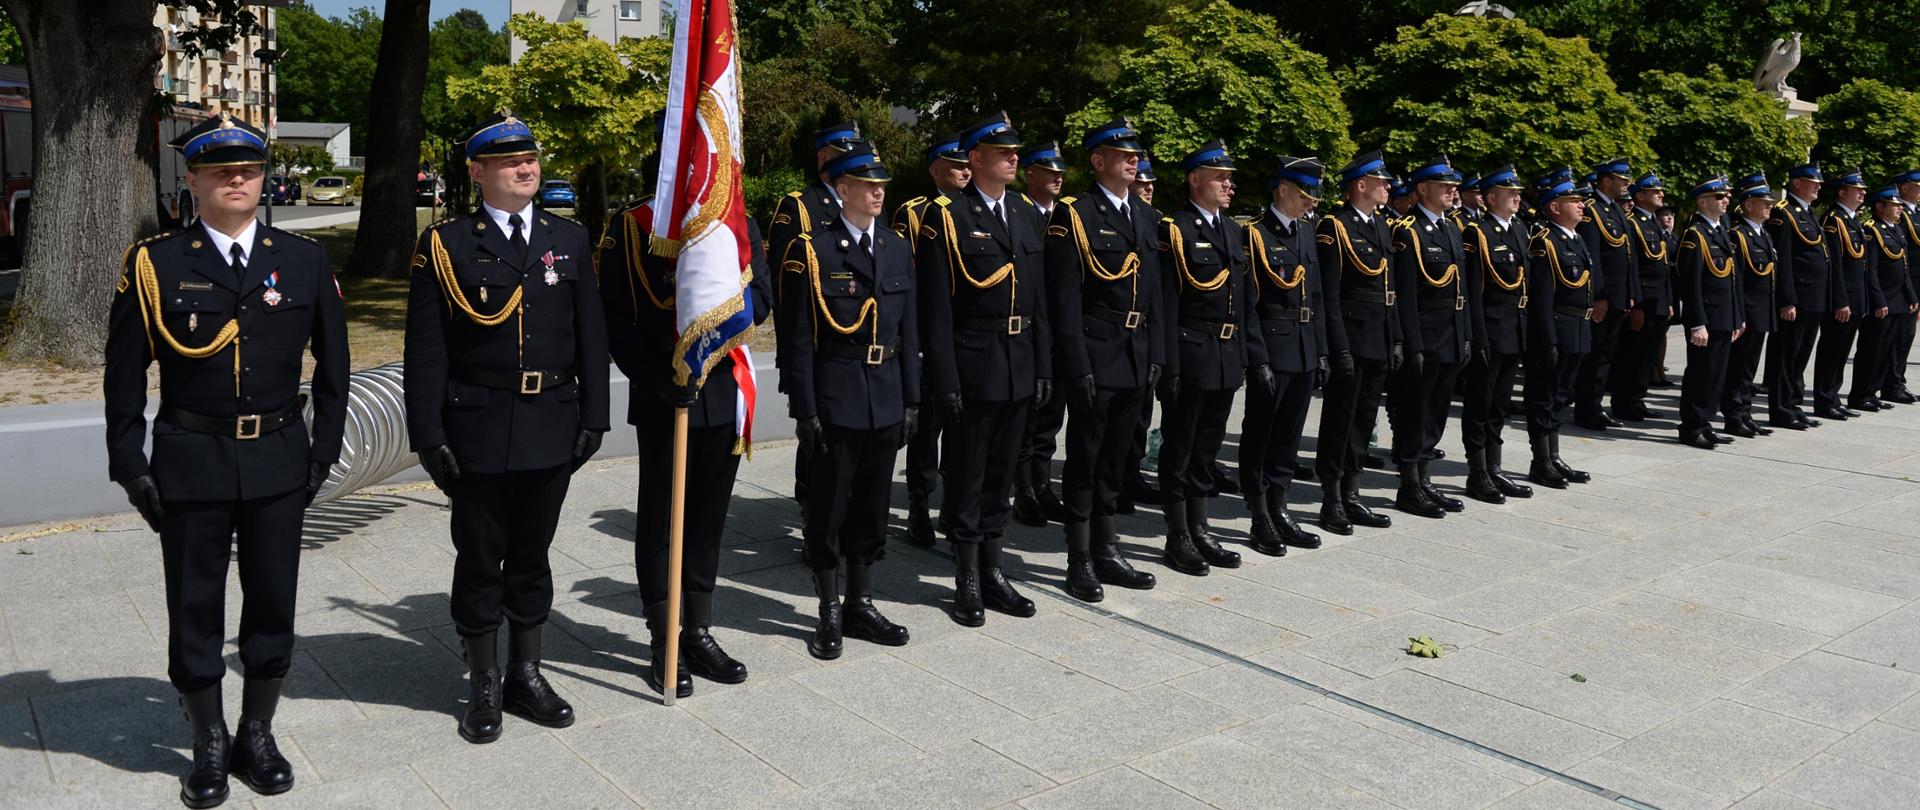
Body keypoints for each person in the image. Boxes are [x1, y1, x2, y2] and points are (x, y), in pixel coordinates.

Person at [104, 113, 349, 808]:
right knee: (194, 604)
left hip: (278, 456)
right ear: (196, 180)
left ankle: (257, 732)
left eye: (247, 170)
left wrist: (322, 451)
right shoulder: (155, 264)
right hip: (190, 458)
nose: (236, 180)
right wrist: (131, 463)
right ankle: (208, 741)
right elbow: (121, 375)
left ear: (262, 177)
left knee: (273, 599)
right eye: (220, 171)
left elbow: (335, 369)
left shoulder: (303, 260)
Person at [404, 113, 608, 743]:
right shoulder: (448, 245)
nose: (527, 168)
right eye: (510, 161)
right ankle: (484, 681)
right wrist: (428, 434)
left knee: (532, 556)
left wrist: (594, 418)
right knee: (479, 558)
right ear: (479, 172)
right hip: (478, 426)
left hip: (551, 420)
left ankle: (527, 671)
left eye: (531, 159)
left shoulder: (567, 239)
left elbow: (590, 336)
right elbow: (426, 349)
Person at [598, 184, 773, 697]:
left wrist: (721, 321)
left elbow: (762, 291)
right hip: (664, 394)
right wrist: (663, 378)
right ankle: (662, 639)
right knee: (660, 521)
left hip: (724, 386)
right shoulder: (632, 227)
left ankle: (697, 630)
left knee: (708, 519)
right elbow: (616, 318)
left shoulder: (736, 220)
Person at [779, 143, 918, 658]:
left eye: (882, 184)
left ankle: (862, 601)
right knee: (829, 506)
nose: (879, 192)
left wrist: (912, 400)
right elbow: (797, 339)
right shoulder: (812, 250)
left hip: (885, 395)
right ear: (842, 191)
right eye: (867, 185)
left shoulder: (898, 247)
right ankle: (829, 608)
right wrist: (805, 410)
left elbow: (910, 328)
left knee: (874, 505)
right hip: (837, 394)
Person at [916, 112, 1051, 626]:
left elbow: (1035, 300)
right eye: (1003, 153)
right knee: (968, 473)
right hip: (973, 363)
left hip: (1019, 362)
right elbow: (936, 310)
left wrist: (1042, 366)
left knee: (1002, 474)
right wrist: (944, 379)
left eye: (1015, 152)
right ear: (975, 159)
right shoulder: (946, 216)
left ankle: (994, 570)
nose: (1014, 158)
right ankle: (967, 576)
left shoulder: (1022, 212)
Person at [1044, 118, 1164, 601]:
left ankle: (1107, 548)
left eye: (1135, 154)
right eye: (1122, 154)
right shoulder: (1075, 214)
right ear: (1098, 161)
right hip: (1095, 352)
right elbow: (1063, 301)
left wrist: (1156, 354)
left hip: (1136, 354)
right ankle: (1079, 557)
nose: (1133, 161)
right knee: (1086, 458)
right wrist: (1077, 366)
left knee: (1118, 459)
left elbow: (1155, 295)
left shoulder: (1146, 217)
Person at [1155, 139, 1267, 573]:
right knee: (1180, 447)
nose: (1228, 186)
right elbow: (1165, 304)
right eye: (1220, 178)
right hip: (1191, 352)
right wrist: (1170, 366)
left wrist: (1249, 356)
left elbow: (1243, 301)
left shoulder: (1230, 230)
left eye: (1230, 179)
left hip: (1225, 354)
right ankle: (1177, 533)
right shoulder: (1176, 229)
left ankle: (1200, 527)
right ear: (1194, 179)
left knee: (1207, 447)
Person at [768, 122, 866, 516]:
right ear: (824, 157)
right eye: (845, 154)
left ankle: (846, 511)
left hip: (860, 340)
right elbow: (784, 287)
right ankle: (813, 510)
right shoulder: (799, 207)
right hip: (818, 342)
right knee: (819, 434)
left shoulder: (864, 202)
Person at [1239, 156, 1329, 552]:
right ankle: (1259, 514)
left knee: (1289, 437)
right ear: (1283, 190)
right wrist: (1258, 358)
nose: (1311, 203)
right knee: (1261, 435)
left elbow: (1319, 298)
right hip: (1274, 350)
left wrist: (1322, 351)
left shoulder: (1307, 233)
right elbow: (1248, 306)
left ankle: (1280, 508)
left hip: (1304, 348)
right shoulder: (1255, 235)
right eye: (1305, 195)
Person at [1314, 150, 1401, 534]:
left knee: (1364, 420)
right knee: (1340, 420)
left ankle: (1352, 492)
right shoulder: (1335, 226)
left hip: (1378, 337)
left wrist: (1395, 337)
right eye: (1380, 182)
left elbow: (1389, 288)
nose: (1387, 187)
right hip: (1350, 336)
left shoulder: (1382, 226)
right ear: (1360, 186)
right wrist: (1338, 347)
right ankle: (1331, 498)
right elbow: (1329, 294)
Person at [894, 132, 971, 547]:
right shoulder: (915, 213)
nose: (964, 171)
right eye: (955, 165)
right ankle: (919, 506)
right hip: (931, 330)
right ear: (935, 170)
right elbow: (906, 276)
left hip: (971, 335)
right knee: (926, 430)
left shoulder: (982, 210)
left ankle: (956, 507)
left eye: (966, 165)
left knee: (966, 428)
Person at [1387, 156, 1473, 519]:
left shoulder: (1452, 228)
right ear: (1423, 189)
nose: (1453, 191)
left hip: (1451, 335)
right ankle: (1409, 485)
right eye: (1445, 186)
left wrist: (1466, 336)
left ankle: (1425, 480)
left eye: (1454, 185)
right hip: (1425, 337)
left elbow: (1462, 288)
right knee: (1414, 412)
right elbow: (1405, 296)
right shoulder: (1408, 231)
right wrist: (1412, 344)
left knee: (1436, 413)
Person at [1457, 166, 1533, 504]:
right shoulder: (1477, 232)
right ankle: (1477, 472)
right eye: (1509, 192)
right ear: (1490, 198)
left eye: (1517, 192)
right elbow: (1472, 291)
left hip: (1514, 329)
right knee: (1480, 403)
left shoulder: (1518, 229)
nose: (1517, 196)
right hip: (1490, 329)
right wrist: (1478, 338)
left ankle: (1495, 467)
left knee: (1500, 404)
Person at [1523, 176, 1595, 487]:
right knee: (1544, 395)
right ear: (1554, 207)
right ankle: (1541, 461)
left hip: (1578, 327)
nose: (1581, 204)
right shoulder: (1544, 242)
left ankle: (1554, 456)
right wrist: (1547, 338)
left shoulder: (1576, 239)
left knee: (1562, 396)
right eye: (1573, 201)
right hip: (1557, 327)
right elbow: (1541, 297)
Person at [1013, 139, 1071, 525]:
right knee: (1027, 417)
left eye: (1060, 172)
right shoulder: (1019, 213)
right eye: (1048, 172)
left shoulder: (1067, 216)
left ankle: (1043, 484)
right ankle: (1023, 491)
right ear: (1029, 174)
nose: (1057, 178)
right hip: (1030, 329)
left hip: (1059, 331)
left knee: (1050, 417)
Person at [1675, 176, 1745, 448]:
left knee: (1716, 375)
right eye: (1719, 197)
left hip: (1725, 316)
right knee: (1701, 375)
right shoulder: (1695, 235)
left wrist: (1738, 316)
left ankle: (1705, 423)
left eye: (1726, 196)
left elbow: (1733, 279)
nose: (1726, 200)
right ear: (1702, 202)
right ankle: (1692, 427)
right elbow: (1690, 285)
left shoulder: (1720, 231)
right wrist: (1696, 323)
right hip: (1708, 318)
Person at [1574, 158, 1641, 431]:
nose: (1626, 183)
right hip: (1604, 298)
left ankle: (1596, 405)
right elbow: (1592, 257)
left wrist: (1631, 294)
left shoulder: (1615, 210)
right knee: (1595, 356)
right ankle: (1586, 409)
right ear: (1605, 180)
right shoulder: (1592, 211)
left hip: (1619, 297)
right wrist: (1599, 296)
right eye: (1621, 179)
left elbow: (1627, 256)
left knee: (1606, 356)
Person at [1765, 164, 1829, 429]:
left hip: (1814, 296)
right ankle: (1780, 409)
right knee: (1786, 355)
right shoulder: (1784, 213)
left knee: (1800, 355)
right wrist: (1787, 299)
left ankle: (1792, 404)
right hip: (1798, 297)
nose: (1818, 187)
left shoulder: (1807, 213)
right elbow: (1785, 261)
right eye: (1812, 182)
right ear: (1796, 184)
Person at [1812, 169, 1877, 420]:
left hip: (1855, 297)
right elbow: (1836, 266)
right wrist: (1841, 300)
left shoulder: (1852, 219)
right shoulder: (1834, 220)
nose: (1862, 193)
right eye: (1856, 189)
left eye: (1862, 190)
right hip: (1843, 299)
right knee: (1832, 349)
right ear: (1842, 192)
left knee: (1841, 352)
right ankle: (1824, 400)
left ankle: (1833, 397)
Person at [1612, 172, 1678, 421]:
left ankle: (1636, 399)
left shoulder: (1652, 223)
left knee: (1647, 355)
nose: (1661, 194)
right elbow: (1632, 267)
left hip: (1658, 300)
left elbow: (1662, 267)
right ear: (1639, 195)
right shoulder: (1632, 223)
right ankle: (1623, 402)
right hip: (1643, 301)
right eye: (1654, 191)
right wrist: (1636, 305)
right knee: (1632, 355)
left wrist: (1669, 301)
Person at [1721, 174, 1779, 439]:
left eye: (1769, 202)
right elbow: (1737, 280)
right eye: (1762, 202)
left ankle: (1745, 413)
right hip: (1747, 310)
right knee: (1738, 368)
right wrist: (1739, 315)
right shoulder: (1738, 235)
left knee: (1749, 369)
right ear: (1747, 205)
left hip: (1762, 310)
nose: (1769, 206)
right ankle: (1733, 415)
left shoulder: (1763, 234)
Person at [1855, 187, 1916, 408]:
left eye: (1900, 204)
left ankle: (1873, 392)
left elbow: (1904, 267)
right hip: (1882, 299)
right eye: (1895, 205)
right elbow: (1870, 271)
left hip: (1898, 299)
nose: (1900, 208)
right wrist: (1878, 300)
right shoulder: (1872, 230)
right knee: (1872, 349)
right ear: (1880, 207)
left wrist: (1911, 296)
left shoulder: (1897, 230)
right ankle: (1861, 394)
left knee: (1888, 350)